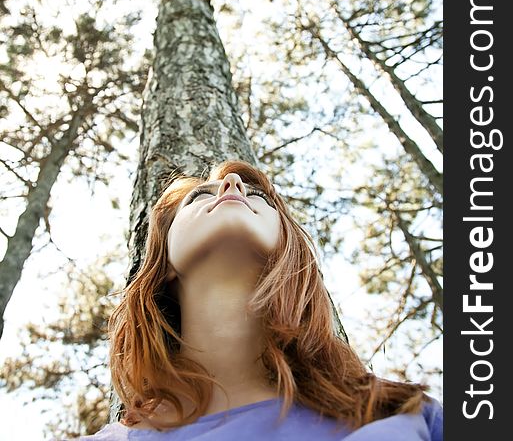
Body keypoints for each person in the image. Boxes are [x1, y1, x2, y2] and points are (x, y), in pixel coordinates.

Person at [76, 160, 443, 440]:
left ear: (288, 247)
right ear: (166, 262)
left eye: (259, 197)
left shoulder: (399, 413)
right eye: (199, 196)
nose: (232, 185)